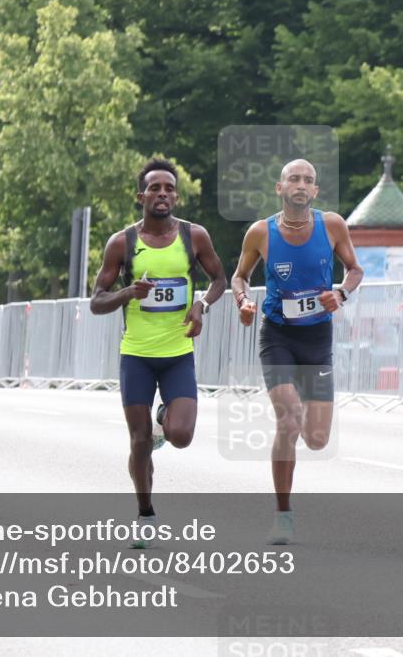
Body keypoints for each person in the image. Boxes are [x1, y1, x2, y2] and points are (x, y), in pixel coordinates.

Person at [90, 158, 226, 548]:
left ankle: (166, 416)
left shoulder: (194, 236)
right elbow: (96, 302)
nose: (162, 193)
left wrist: (202, 306)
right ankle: (145, 514)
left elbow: (219, 278)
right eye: (154, 188)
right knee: (139, 441)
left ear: (176, 196)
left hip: (177, 352)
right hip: (136, 356)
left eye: (168, 188)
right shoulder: (122, 243)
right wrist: (127, 292)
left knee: (181, 436)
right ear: (141, 196)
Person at [231, 158, 363, 545]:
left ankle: (307, 421)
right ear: (280, 187)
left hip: (317, 338)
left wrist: (340, 293)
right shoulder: (261, 233)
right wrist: (242, 300)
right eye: (294, 179)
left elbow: (355, 269)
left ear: (315, 191)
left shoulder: (333, 225)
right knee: (288, 422)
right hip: (278, 336)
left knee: (317, 439)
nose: (301, 184)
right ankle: (283, 514)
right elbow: (241, 275)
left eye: (308, 180)